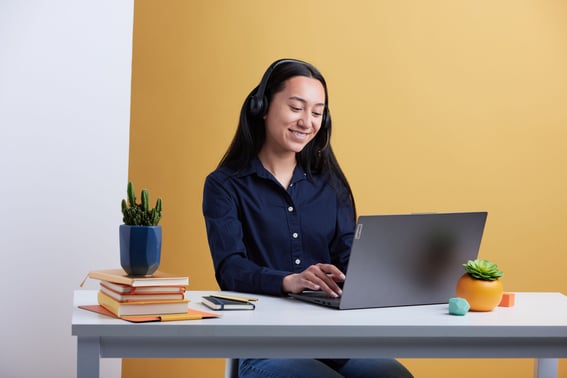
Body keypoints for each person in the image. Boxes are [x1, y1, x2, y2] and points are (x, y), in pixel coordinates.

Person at [202, 58, 413, 378]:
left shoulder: (331, 185)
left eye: (316, 112)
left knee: (393, 375)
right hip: (264, 344)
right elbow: (230, 269)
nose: (307, 122)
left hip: (334, 340)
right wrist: (289, 282)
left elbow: (347, 256)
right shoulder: (224, 185)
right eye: (296, 108)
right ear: (262, 107)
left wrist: (385, 272)